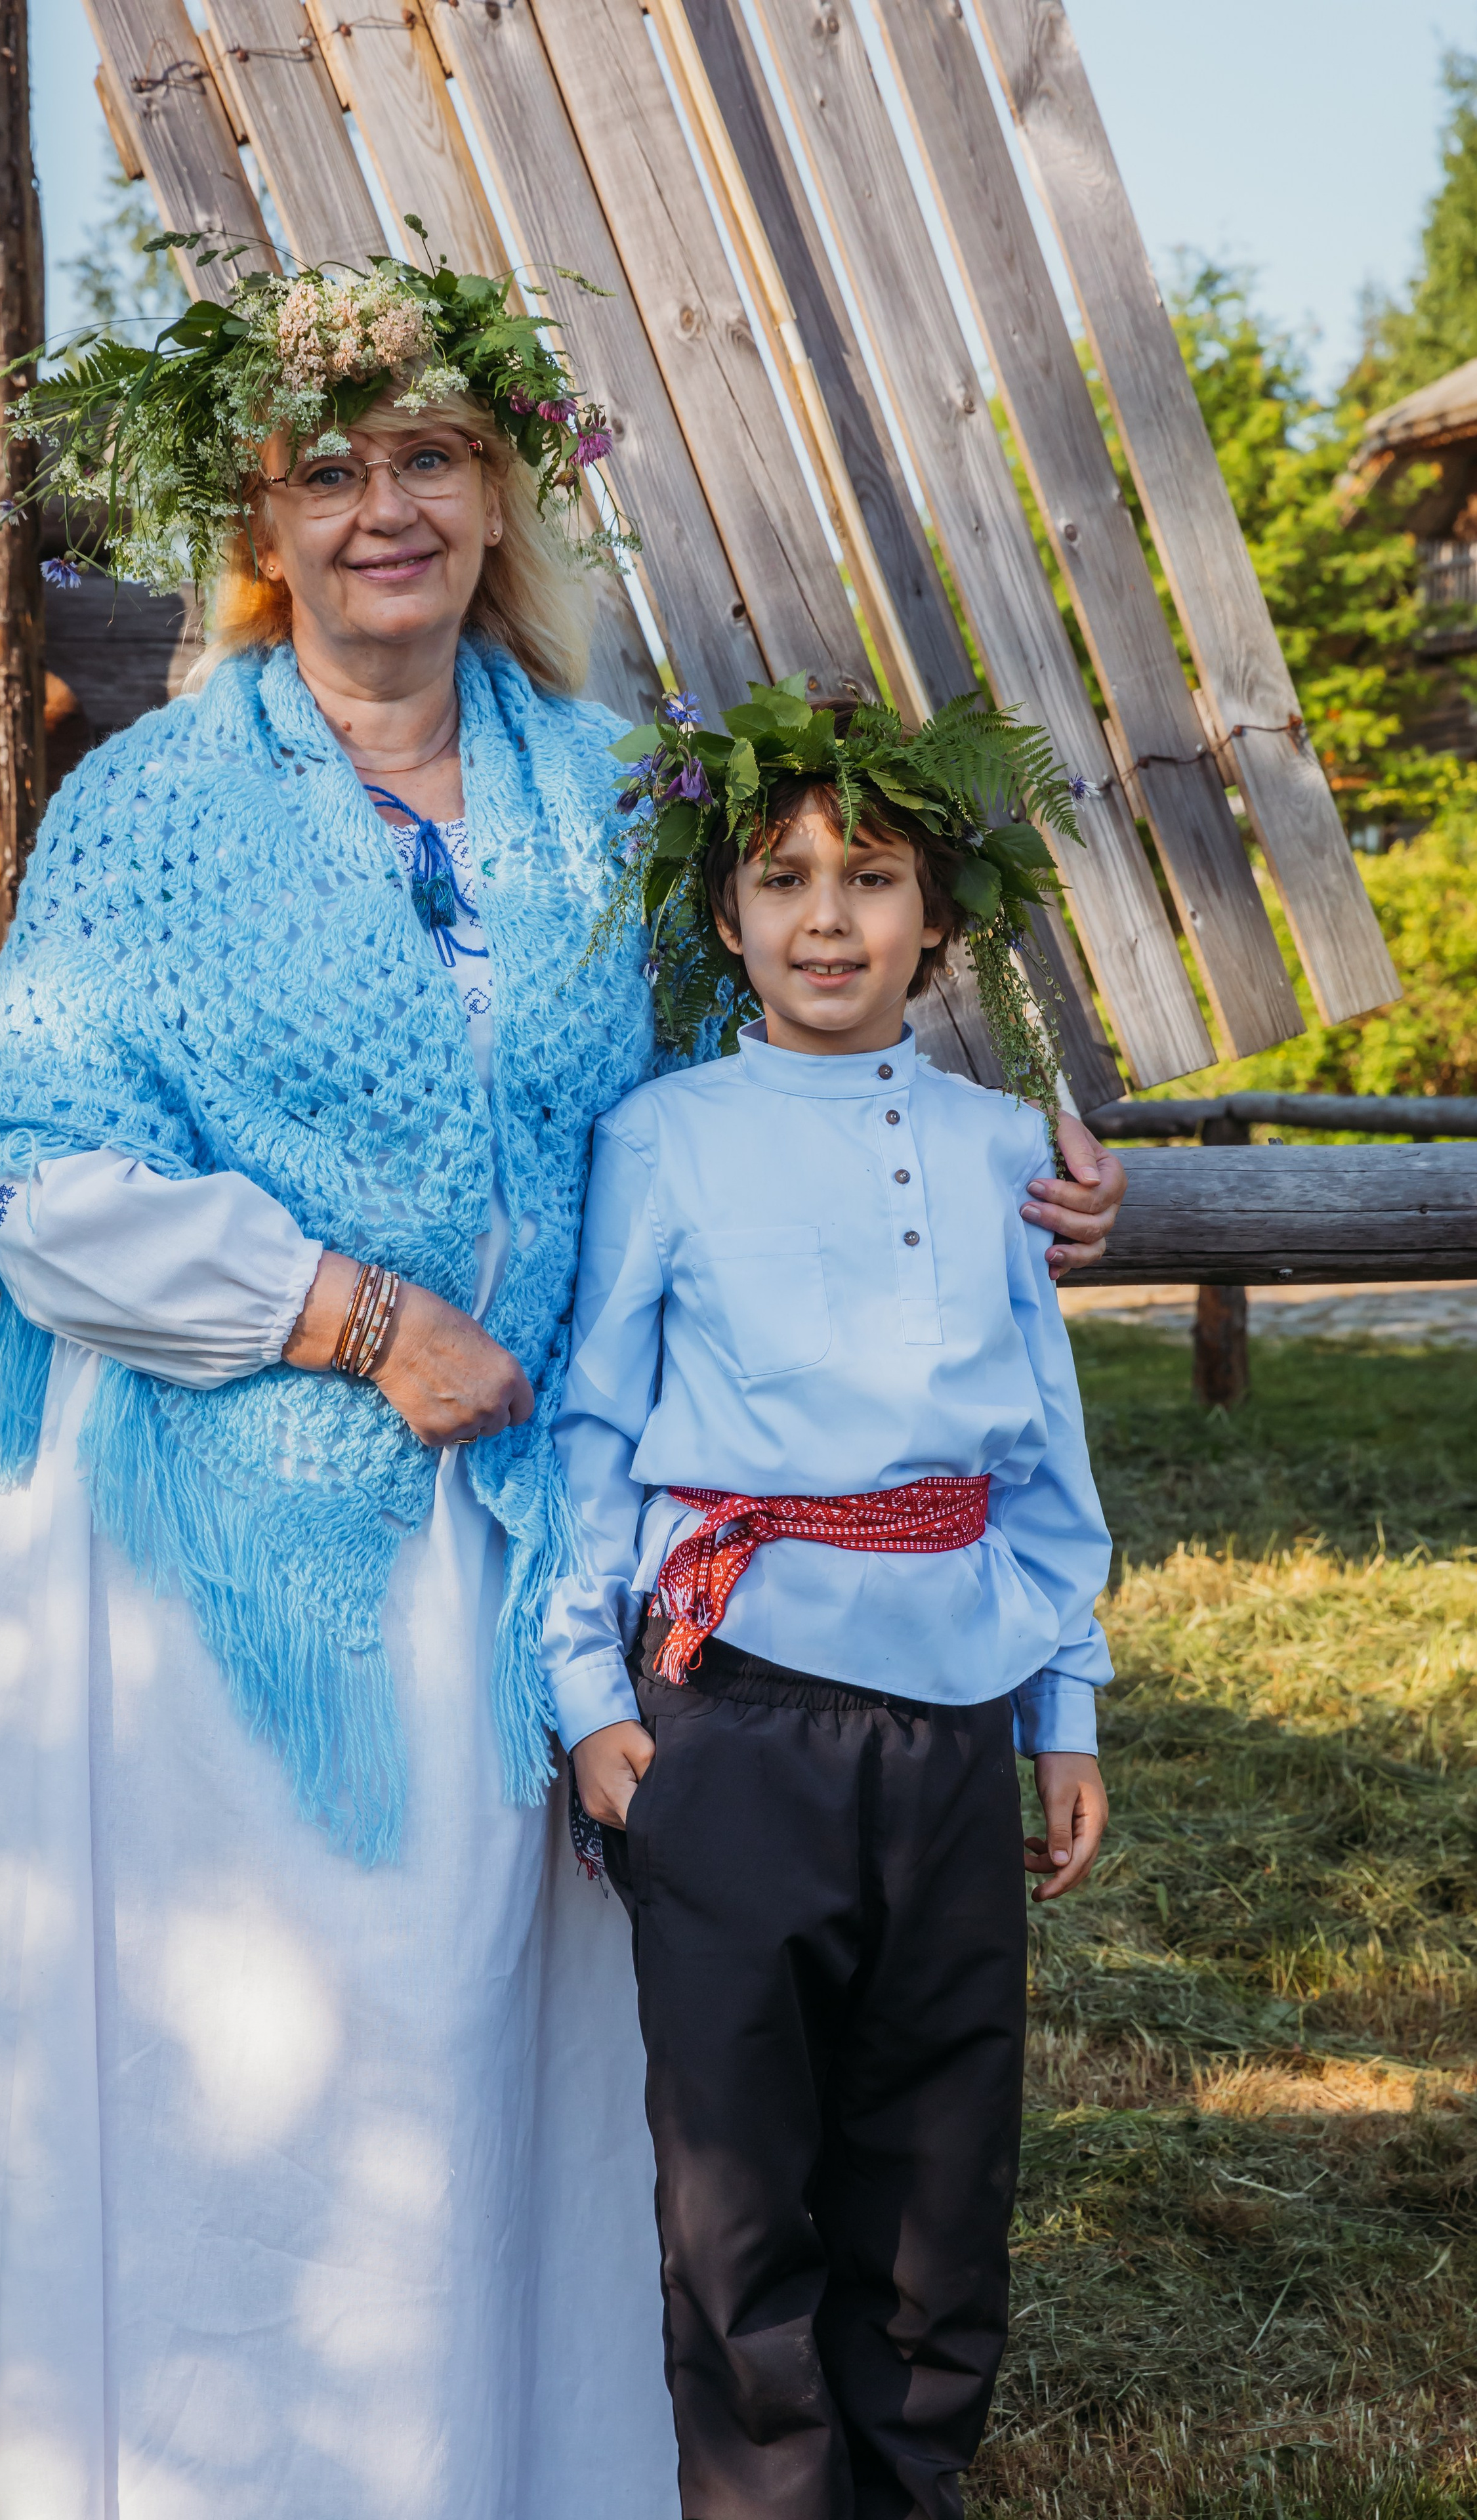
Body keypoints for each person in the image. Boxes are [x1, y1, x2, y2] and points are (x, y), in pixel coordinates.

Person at [0, 253, 1125, 2520]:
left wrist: (1004, 1208)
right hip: (233, 1557)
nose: (385, 508)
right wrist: (356, 1320)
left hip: (571, 1553)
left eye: (434, 460)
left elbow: (760, 1101)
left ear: (500, 503)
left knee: (546, 2078)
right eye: (332, 470)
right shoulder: (151, 806)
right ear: (256, 525)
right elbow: (42, 1190)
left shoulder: (620, 796)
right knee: (286, 2061)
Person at [549, 687, 1115, 2520]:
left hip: (949, 1723)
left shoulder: (998, 1142)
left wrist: (1067, 1701)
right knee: (740, 2190)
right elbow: (598, 1426)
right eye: (782, 877)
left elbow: (1040, 1444)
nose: (824, 917)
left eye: (871, 878)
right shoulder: (668, 1136)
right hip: (737, 1716)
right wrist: (586, 1696)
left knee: (939, 2171)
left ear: (937, 919)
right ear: (725, 916)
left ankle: (913, 2486)